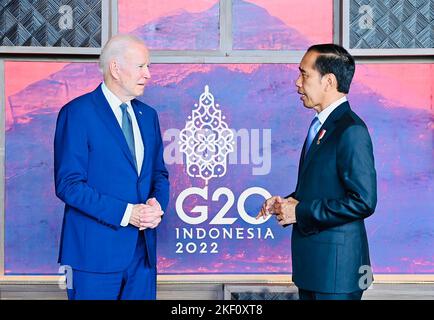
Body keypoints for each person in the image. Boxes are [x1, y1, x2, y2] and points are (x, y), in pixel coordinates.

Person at [257, 44, 377, 300]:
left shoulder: (351, 130)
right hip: (315, 269)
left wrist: (299, 212)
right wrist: (287, 202)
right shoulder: (322, 126)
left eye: (304, 74)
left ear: (329, 81)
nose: (297, 82)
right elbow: (323, 188)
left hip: (337, 273)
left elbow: (363, 201)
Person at [54, 34, 169, 300]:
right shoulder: (77, 113)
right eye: (141, 66)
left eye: (148, 66)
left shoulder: (148, 115)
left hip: (143, 256)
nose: (148, 74)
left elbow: (159, 174)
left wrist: (156, 205)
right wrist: (127, 213)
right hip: (93, 256)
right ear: (115, 68)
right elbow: (68, 185)